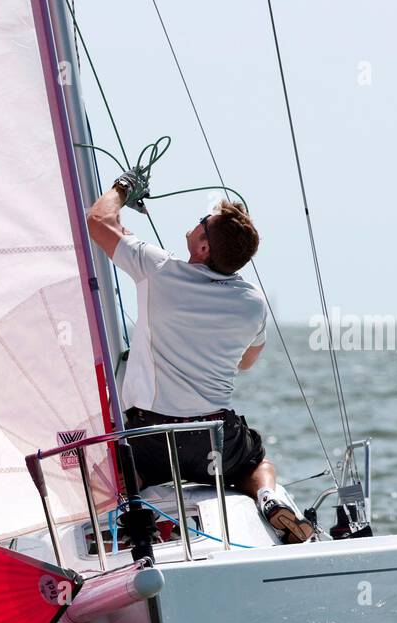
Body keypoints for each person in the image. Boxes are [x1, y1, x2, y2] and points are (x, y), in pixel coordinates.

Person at [85, 181, 313, 544]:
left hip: (150, 436)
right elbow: (247, 362)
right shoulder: (252, 302)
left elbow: (98, 220)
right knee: (256, 465)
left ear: (203, 247)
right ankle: (269, 497)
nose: (198, 219)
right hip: (213, 439)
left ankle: (133, 521)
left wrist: (123, 187)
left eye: (204, 220)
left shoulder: (156, 268)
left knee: (119, 474)